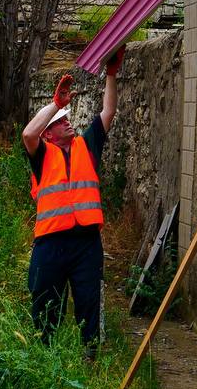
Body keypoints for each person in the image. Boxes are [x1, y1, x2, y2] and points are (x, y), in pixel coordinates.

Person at [20, 46, 124, 355]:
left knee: (88, 301)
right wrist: (55, 104)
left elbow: (107, 112)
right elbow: (28, 134)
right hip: (51, 243)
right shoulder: (41, 154)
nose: (68, 123)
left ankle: (90, 357)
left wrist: (111, 74)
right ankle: (44, 357)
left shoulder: (86, 146)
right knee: (45, 304)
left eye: (66, 120)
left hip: (86, 243)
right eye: (60, 123)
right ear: (49, 135)